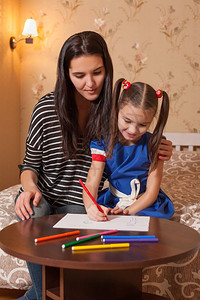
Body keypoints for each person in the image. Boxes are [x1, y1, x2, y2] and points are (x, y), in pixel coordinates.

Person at [15, 31, 173, 300]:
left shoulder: (114, 113)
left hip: (82, 199)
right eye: (79, 76)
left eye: (97, 72)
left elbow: (136, 138)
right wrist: (28, 188)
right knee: (36, 211)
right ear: (66, 74)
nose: (90, 83)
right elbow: (30, 165)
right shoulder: (45, 109)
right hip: (43, 193)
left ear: (107, 69)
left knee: (88, 236)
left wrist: (160, 144)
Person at [83, 79, 174, 221]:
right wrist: (91, 207)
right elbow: (91, 183)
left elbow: (151, 192)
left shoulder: (156, 145)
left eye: (143, 124)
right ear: (117, 111)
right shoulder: (102, 144)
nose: (133, 130)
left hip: (145, 204)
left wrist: (128, 211)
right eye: (127, 120)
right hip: (113, 201)